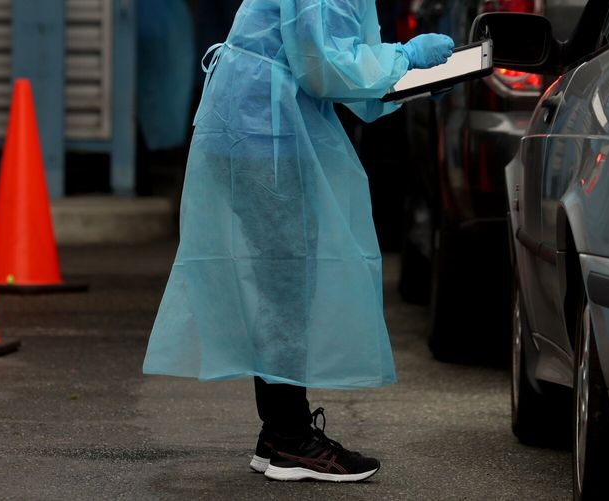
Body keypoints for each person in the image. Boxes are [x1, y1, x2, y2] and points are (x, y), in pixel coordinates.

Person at [142, 0, 453, 482]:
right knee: (286, 283)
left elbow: (332, 58)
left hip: (257, 122)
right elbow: (325, 68)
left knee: (282, 282)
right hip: (264, 129)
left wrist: (406, 78)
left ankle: (279, 434)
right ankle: (289, 439)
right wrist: (405, 59)